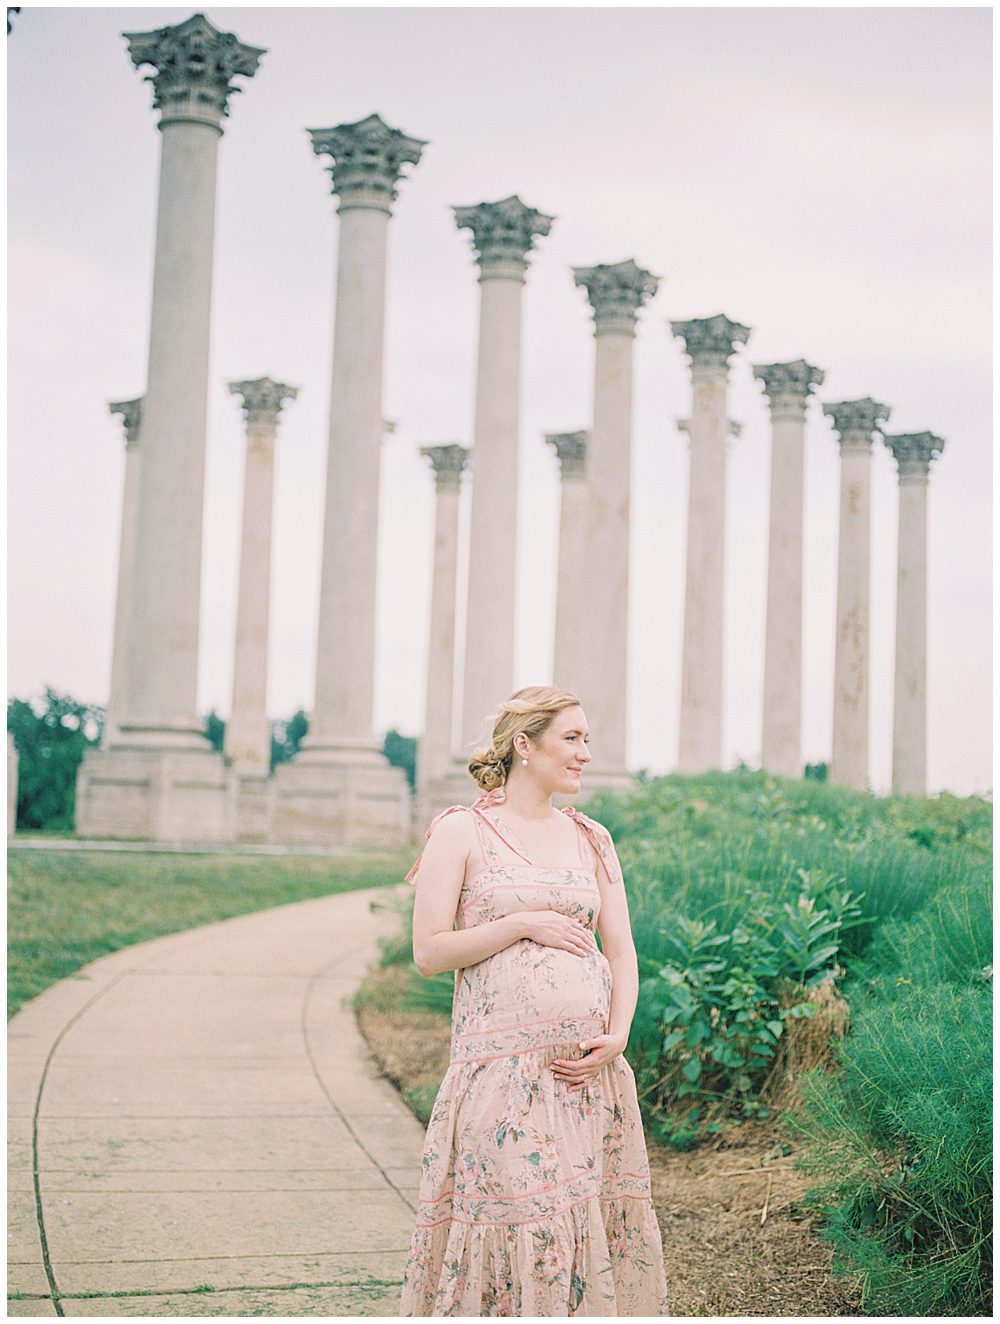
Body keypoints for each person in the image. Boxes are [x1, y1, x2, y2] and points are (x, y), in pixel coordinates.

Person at [398, 686, 669, 1316]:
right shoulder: (461, 831)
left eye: (586, 739)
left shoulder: (592, 838)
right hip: (501, 1080)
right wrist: (522, 923)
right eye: (571, 738)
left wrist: (620, 1033)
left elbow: (622, 951)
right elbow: (430, 950)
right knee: (520, 1230)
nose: (585, 754)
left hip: (587, 1079)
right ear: (525, 744)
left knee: (579, 1229)